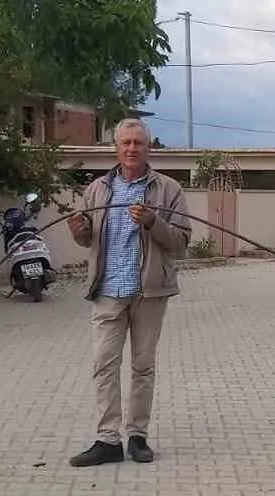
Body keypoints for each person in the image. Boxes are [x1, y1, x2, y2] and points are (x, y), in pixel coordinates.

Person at [66, 118, 191, 466]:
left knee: (142, 367)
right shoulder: (97, 189)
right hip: (107, 290)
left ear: (148, 147)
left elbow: (181, 242)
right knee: (103, 365)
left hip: (148, 292)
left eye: (138, 142)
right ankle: (108, 440)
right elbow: (88, 239)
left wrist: (153, 222)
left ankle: (137, 437)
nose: (132, 148)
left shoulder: (168, 189)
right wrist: (78, 229)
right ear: (116, 148)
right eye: (126, 143)